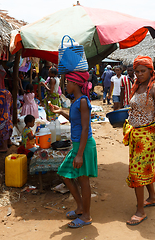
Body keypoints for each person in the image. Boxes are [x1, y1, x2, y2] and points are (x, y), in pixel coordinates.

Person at [49, 71, 97, 228]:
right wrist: (61, 111)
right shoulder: (76, 101)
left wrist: (80, 155)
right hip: (78, 144)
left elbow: (85, 128)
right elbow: (75, 121)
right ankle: (81, 208)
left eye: (68, 82)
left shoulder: (83, 101)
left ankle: (86, 216)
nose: (65, 85)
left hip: (84, 145)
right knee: (66, 174)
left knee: (83, 181)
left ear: (76, 84)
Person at [123, 56, 155, 226]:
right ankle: (153, 197)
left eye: (143, 71)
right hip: (134, 135)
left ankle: (140, 211)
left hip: (146, 137)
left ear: (151, 71)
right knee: (144, 169)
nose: (139, 74)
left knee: (137, 173)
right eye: (137, 71)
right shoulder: (137, 87)